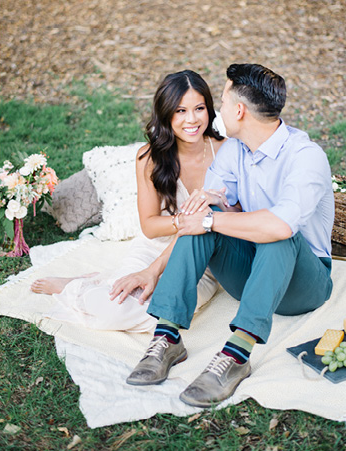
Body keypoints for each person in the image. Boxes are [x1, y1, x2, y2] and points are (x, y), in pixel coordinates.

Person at [126, 63, 334, 408]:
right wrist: (206, 211)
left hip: (304, 284)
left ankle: (236, 356)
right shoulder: (234, 151)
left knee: (275, 232)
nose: (215, 111)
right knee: (203, 214)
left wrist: (209, 222)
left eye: (219, 102)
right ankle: (166, 336)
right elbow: (203, 215)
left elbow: (280, 226)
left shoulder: (306, 157)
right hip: (249, 274)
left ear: (238, 110)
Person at [30, 70, 224, 331]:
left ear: (209, 109)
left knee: (161, 312)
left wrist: (202, 223)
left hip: (202, 257)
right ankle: (83, 285)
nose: (191, 119)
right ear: (166, 113)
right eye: (180, 111)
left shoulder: (225, 150)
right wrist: (188, 221)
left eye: (199, 108)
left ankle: (95, 283)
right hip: (154, 248)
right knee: (115, 305)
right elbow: (150, 226)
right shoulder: (149, 158)